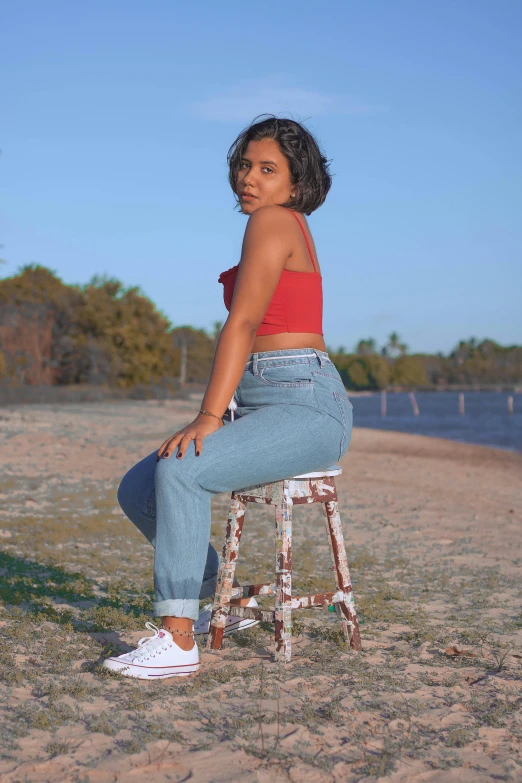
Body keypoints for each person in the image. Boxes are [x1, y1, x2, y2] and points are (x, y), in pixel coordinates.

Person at [103, 115, 353, 679]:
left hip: (306, 403)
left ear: (296, 182)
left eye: (268, 169)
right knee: (142, 487)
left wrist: (208, 415)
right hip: (264, 398)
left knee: (183, 472)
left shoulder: (273, 220)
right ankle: (222, 595)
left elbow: (242, 325)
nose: (249, 178)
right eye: (244, 165)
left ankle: (177, 638)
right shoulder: (275, 222)